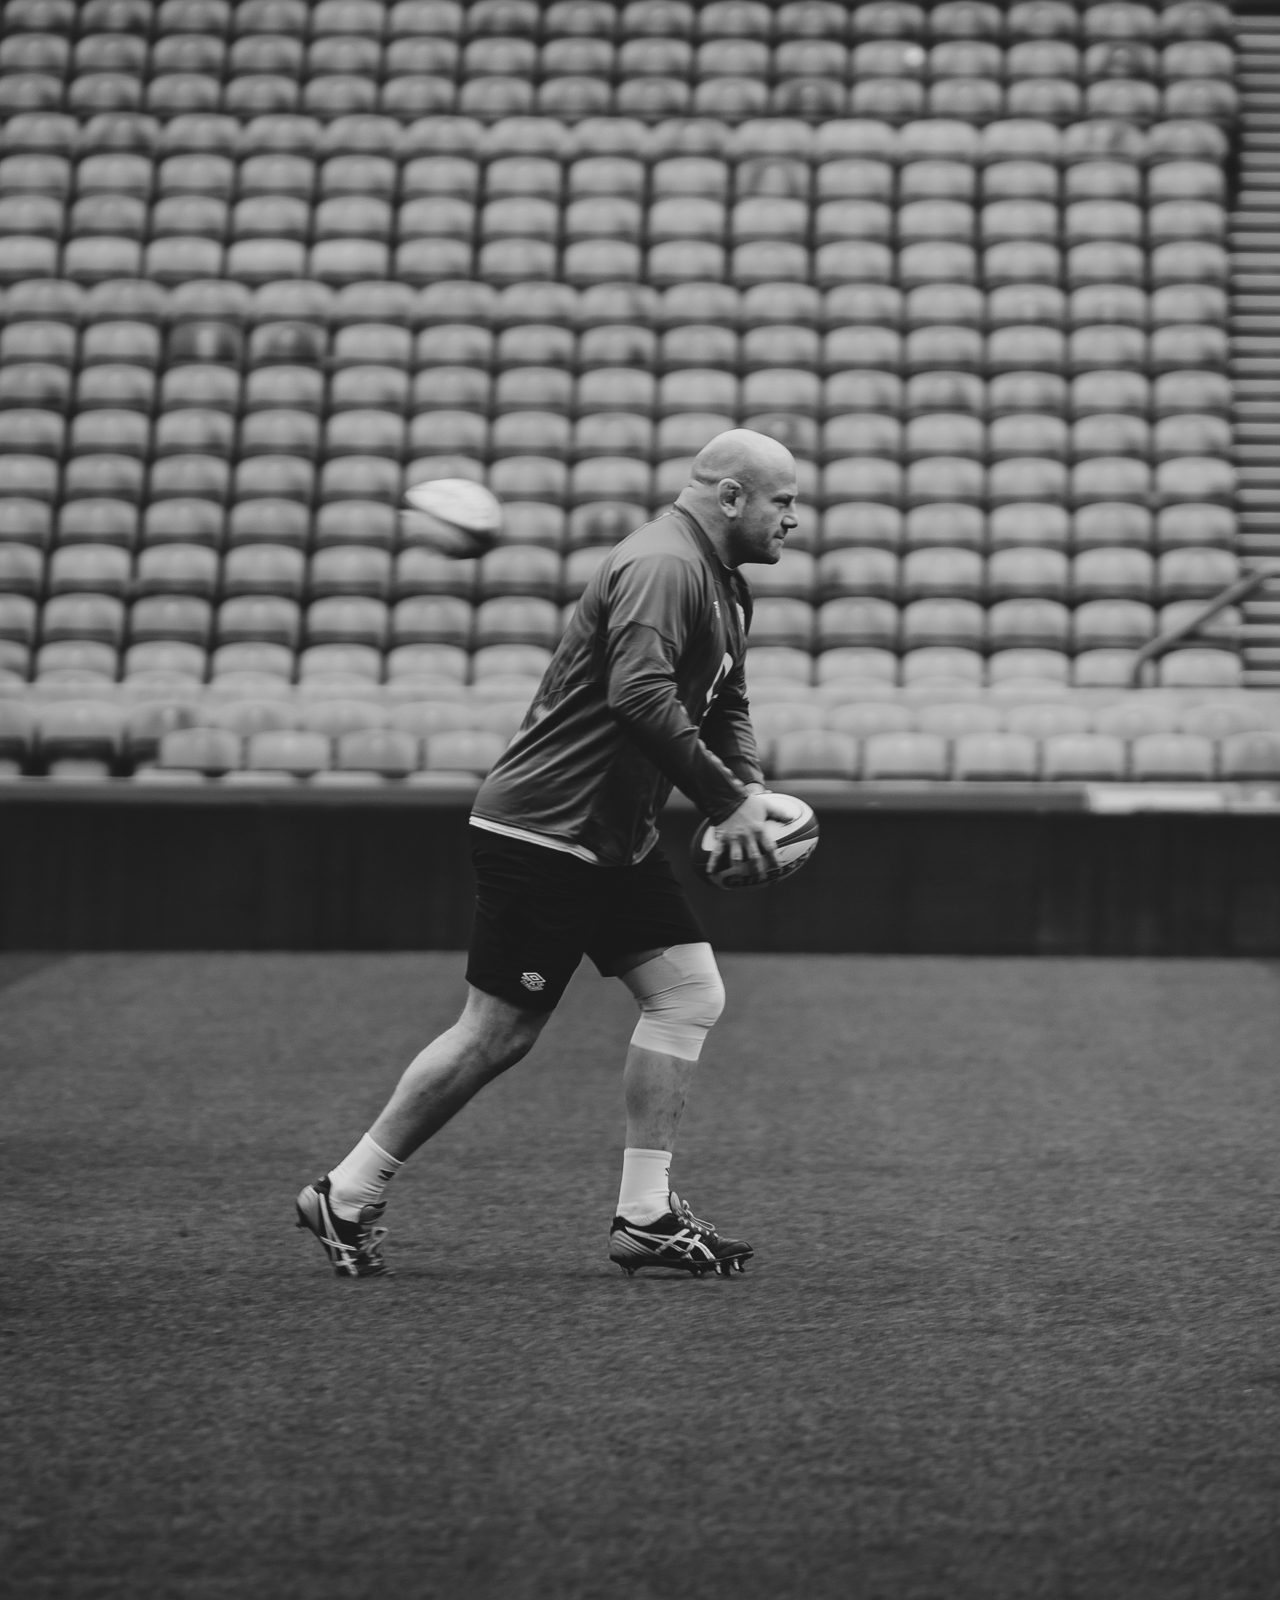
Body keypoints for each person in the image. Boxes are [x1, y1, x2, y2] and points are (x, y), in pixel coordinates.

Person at [296, 429, 801, 1278]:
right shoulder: (663, 566)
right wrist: (726, 803)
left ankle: (644, 1216)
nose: (794, 518)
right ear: (730, 497)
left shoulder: (724, 586)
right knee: (497, 1034)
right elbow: (637, 696)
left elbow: (724, 700)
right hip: (546, 829)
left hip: (611, 839)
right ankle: (344, 1194)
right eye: (783, 501)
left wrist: (746, 788)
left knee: (687, 993)